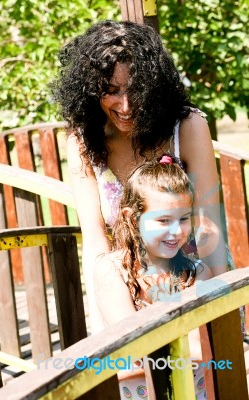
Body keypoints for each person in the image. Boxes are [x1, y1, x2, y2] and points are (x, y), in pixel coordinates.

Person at [50, 19, 228, 333]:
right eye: (111, 91)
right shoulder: (82, 143)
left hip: (193, 280)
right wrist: (103, 326)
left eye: (134, 90)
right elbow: (95, 243)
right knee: (135, 372)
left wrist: (218, 314)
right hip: (126, 294)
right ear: (92, 91)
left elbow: (207, 226)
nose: (126, 105)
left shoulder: (186, 128)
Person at [94, 156, 212, 400]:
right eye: (163, 220)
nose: (177, 231)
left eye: (183, 218)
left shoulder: (197, 272)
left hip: (192, 391)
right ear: (131, 218)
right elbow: (131, 346)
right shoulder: (112, 270)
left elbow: (199, 347)